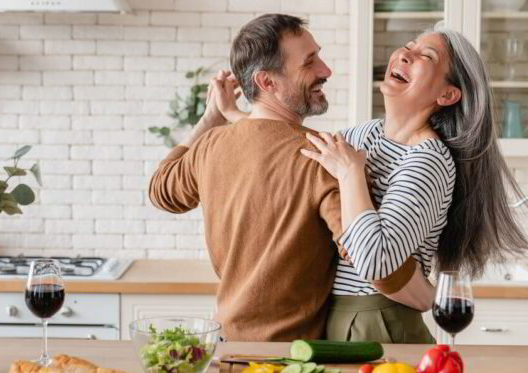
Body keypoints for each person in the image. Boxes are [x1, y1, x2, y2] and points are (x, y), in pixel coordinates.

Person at [148, 14, 424, 341]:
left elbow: (160, 190)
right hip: (290, 358)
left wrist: (210, 119)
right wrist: (431, 297)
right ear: (267, 82)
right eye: (309, 63)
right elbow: (375, 263)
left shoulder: (211, 145)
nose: (325, 70)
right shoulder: (322, 157)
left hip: (225, 349)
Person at [297, 25, 528, 342]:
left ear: (447, 94)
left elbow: (376, 261)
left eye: (426, 56)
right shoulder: (362, 135)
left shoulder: (428, 161)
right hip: (334, 317)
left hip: (379, 324)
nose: (404, 54)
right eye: (408, 46)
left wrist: (351, 175)